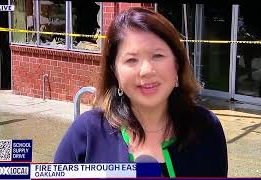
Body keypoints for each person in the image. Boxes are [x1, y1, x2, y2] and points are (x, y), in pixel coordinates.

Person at [54, 7, 228, 177]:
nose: (146, 70)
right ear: (115, 72)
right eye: (131, 59)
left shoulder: (207, 128)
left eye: (158, 56)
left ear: (177, 64)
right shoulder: (87, 132)